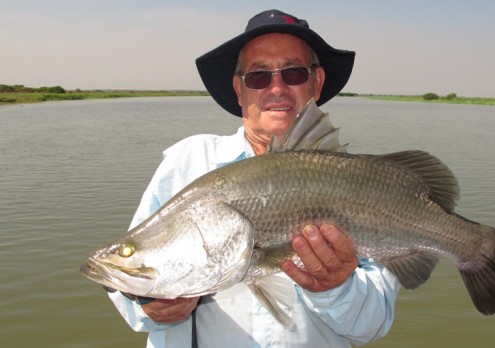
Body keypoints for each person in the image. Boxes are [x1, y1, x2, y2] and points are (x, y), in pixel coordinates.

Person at [108, 9, 400, 347]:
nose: (277, 88)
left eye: (293, 73)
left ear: (316, 82)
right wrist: (149, 304)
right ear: (238, 87)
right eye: (258, 77)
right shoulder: (186, 163)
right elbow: (129, 292)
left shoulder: (369, 187)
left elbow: (371, 325)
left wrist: (337, 288)